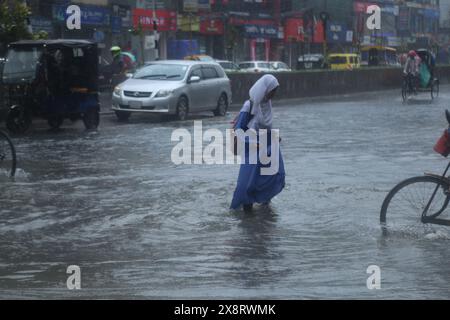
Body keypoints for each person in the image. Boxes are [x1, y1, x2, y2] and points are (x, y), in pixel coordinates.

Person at [230, 74, 286, 212]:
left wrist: (274, 137)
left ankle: (264, 212)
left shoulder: (267, 105)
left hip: (267, 147)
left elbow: (267, 127)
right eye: (272, 90)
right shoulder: (249, 105)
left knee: (274, 175)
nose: (274, 94)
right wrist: (252, 141)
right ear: (264, 89)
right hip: (252, 149)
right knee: (247, 183)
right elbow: (239, 128)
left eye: (275, 91)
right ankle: (247, 214)